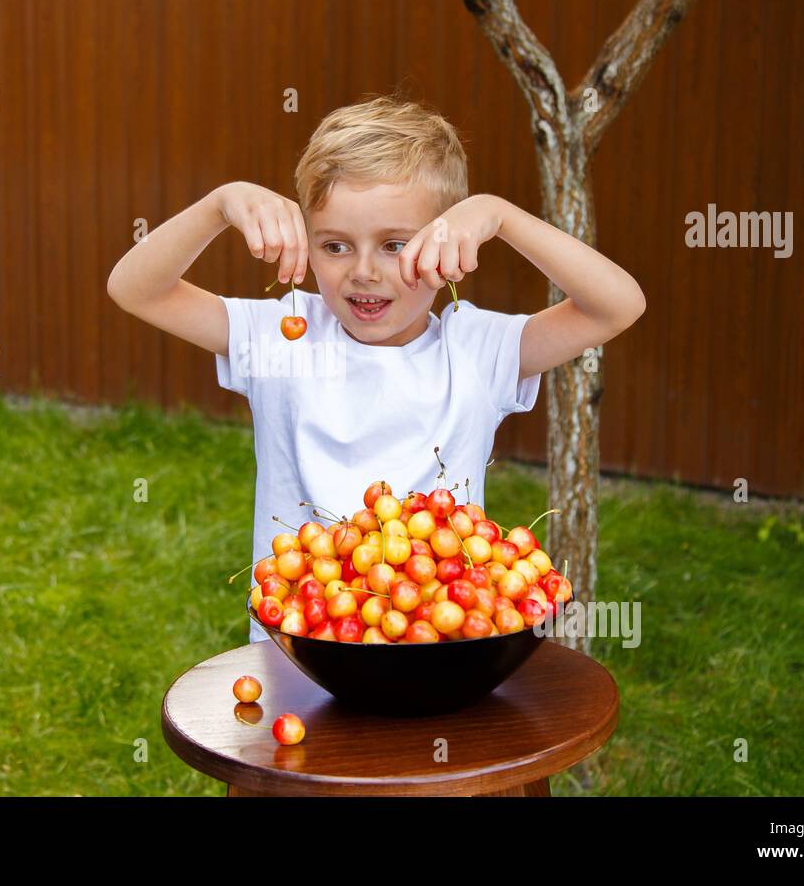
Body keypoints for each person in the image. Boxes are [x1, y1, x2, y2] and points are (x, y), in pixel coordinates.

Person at [106, 93, 645, 644]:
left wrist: (499, 216)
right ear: (308, 247)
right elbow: (135, 290)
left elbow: (618, 304)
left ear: (445, 242)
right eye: (335, 246)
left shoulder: (477, 350)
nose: (363, 272)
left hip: (443, 644)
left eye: (393, 245)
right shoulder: (282, 337)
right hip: (301, 652)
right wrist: (219, 205)